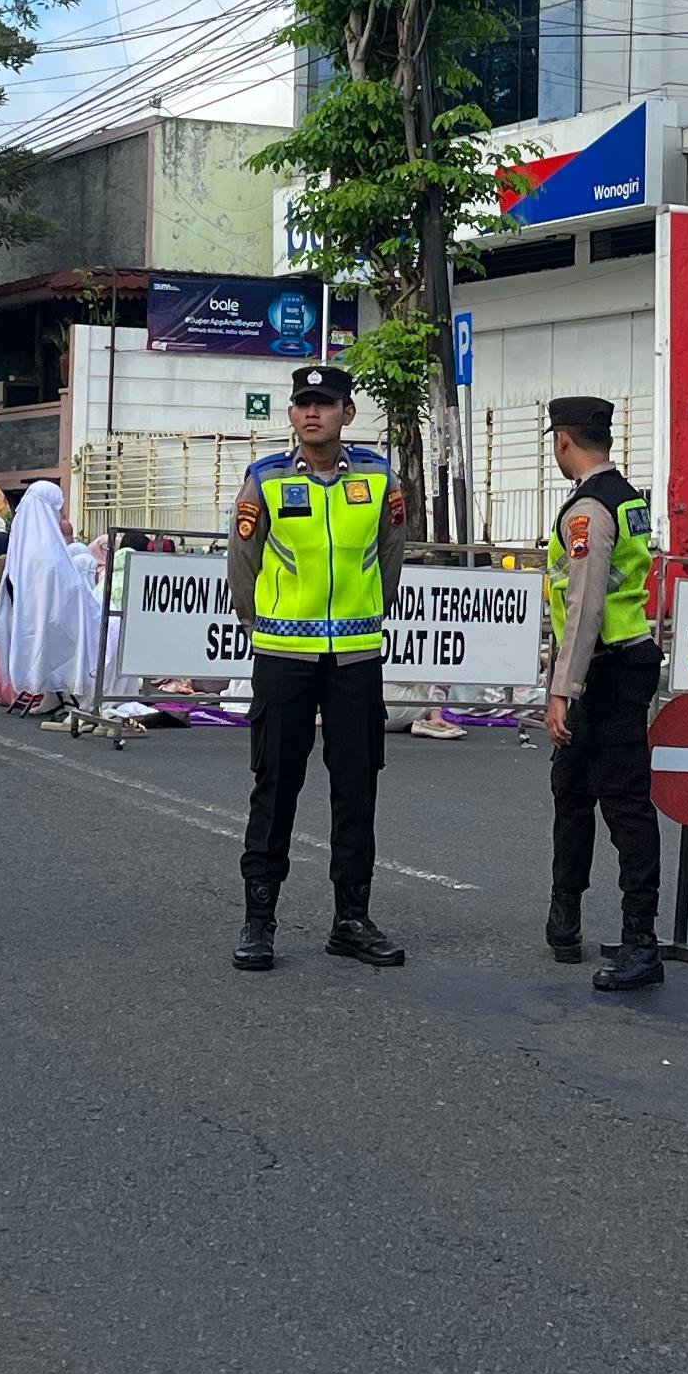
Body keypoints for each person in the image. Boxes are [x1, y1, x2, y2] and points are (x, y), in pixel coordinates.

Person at [225, 360, 410, 973]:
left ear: (347, 414)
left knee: (356, 788)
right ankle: (259, 920)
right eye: (304, 403)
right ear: (291, 415)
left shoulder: (382, 480)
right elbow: (243, 565)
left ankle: (351, 919)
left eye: (325, 403)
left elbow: (390, 558)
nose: (313, 412)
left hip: (356, 657)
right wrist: (265, 628)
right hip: (284, 657)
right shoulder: (265, 479)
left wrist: (365, 617)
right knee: (276, 786)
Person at [538, 392, 664, 993]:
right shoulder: (631, 499)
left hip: (601, 669)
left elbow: (585, 603)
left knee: (620, 803)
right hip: (623, 658)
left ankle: (639, 940)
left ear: (564, 441)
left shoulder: (587, 508)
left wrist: (563, 688)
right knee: (575, 789)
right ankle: (565, 918)